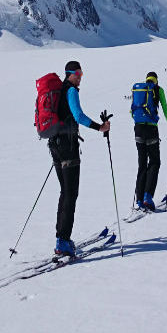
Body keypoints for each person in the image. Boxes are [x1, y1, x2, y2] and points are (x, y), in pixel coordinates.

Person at [49, 60, 110, 257]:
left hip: (55, 145)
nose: (81, 77)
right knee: (70, 194)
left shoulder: (59, 91)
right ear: (70, 73)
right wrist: (99, 127)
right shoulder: (71, 91)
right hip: (68, 147)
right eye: (79, 73)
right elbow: (78, 116)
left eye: (81, 73)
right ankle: (64, 241)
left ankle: (61, 238)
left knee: (64, 192)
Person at [131, 71, 167, 211]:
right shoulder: (157, 89)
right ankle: (148, 196)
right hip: (151, 130)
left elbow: (132, 111)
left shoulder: (140, 89)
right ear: (156, 80)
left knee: (141, 164)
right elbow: (165, 109)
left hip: (138, 129)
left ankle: (139, 199)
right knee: (154, 162)